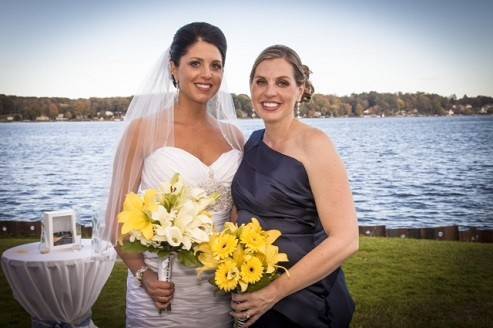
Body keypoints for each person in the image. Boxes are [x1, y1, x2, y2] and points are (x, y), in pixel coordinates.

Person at [102, 22, 243, 327]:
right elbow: (117, 218)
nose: (207, 74)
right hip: (160, 294)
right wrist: (144, 275)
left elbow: (238, 216)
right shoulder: (142, 131)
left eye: (216, 65)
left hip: (218, 293)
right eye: (195, 63)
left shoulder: (235, 137)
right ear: (173, 69)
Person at [230, 45, 358, 327]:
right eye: (261, 81)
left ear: (300, 90)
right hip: (253, 289)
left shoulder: (315, 144)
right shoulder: (251, 142)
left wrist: (272, 293)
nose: (270, 92)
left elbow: (346, 239)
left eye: (282, 83)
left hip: (302, 299)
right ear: (250, 87)